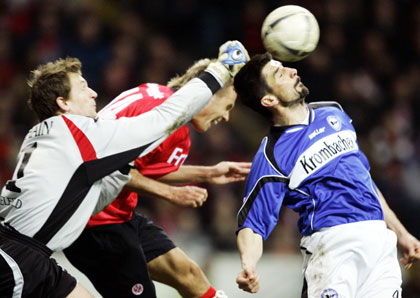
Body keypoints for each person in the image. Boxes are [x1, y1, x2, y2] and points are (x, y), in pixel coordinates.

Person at [0, 40, 249, 298]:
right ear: (64, 103)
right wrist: (222, 69)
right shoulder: (83, 137)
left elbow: (105, 180)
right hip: (19, 258)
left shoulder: (41, 134)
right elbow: (164, 118)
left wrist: (205, 173)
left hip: (32, 250)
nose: (94, 93)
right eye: (83, 88)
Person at [232, 53, 420, 297]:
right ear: (268, 99)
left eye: (285, 67)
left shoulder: (334, 112)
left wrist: (401, 233)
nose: (292, 71)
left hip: (379, 244)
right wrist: (248, 265)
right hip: (333, 247)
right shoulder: (272, 155)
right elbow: (253, 224)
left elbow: (364, 180)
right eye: (280, 73)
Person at [63, 57, 251, 298]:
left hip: (116, 215)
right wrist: (171, 193)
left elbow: (145, 167)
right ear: (209, 91)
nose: (226, 117)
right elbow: (108, 166)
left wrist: (209, 172)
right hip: (91, 223)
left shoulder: (161, 102)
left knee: (188, 274)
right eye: (228, 106)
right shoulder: (158, 112)